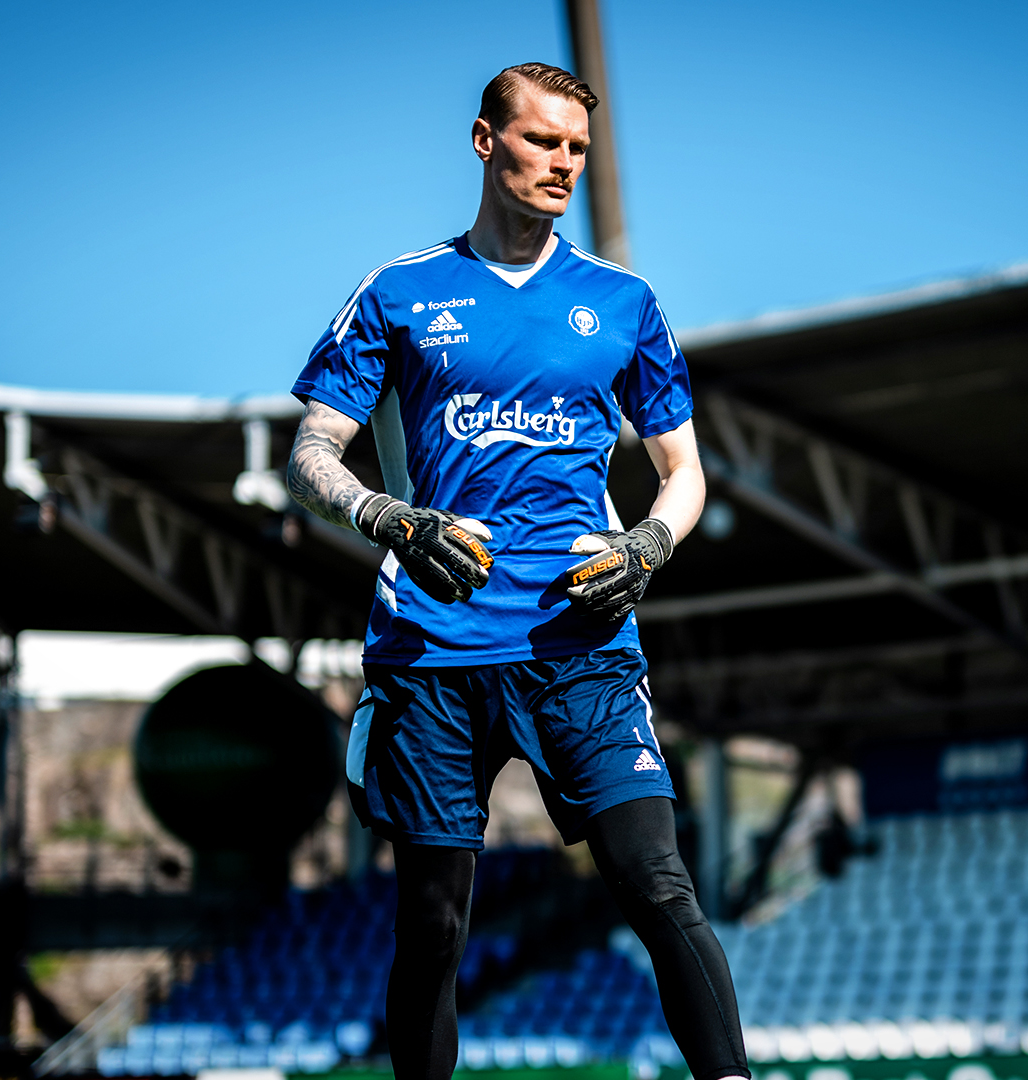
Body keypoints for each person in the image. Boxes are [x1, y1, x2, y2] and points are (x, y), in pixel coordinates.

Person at [285, 62, 748, 1080]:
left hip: (581, 646)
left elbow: (686, 474)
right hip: (432, 648)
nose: (563, 166)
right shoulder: (401, 292)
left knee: (659, 885)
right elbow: (310, 451)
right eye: (543, 142)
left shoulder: (622, 303)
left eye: (578, 149)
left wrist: (648, 546)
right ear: (486, 141)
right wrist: (387, 516)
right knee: (434, 926)